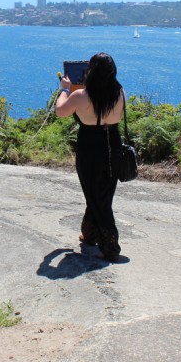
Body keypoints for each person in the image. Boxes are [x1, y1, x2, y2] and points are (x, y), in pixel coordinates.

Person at [55, 52, 125, 262]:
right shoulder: (120, 93)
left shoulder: (80, 96)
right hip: (112, 143)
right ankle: (89, 234)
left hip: (89, 146)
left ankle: (110, 245)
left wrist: (66, 89)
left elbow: (60, 111)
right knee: (103, 193)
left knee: (93, 193)